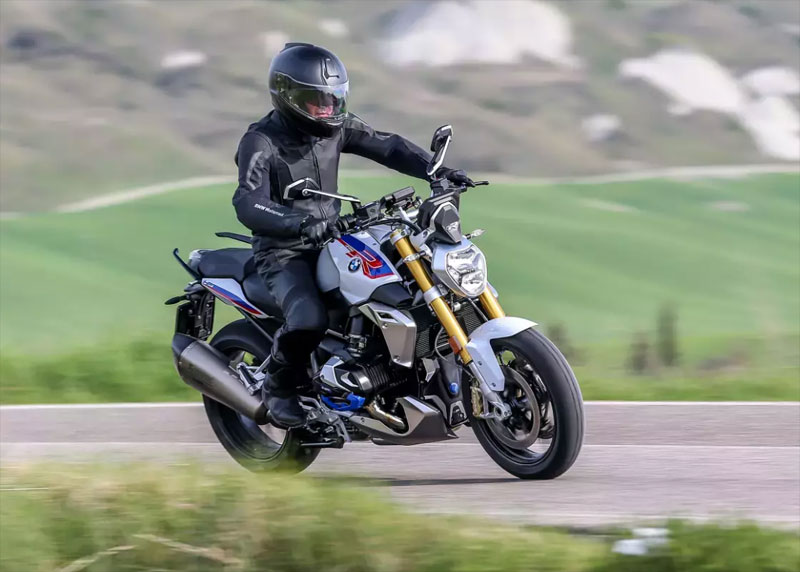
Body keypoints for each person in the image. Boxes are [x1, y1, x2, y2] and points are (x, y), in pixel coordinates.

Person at [232, 42, 474, 428]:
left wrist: (436, 171)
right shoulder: (261, 141)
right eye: (316, 101)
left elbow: (388, 146)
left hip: (335, 238)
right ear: (288, 96)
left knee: (407, 282)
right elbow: (247, 201)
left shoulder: (336, 127)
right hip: (284, 251)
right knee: (309, 318)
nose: (327, 109)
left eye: (333, 99)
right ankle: (278, 388)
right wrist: (298, 223)